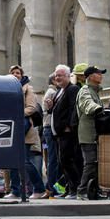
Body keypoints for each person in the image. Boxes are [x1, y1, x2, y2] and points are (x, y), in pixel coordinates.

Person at [5, 65, 45, 199]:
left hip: (24, 129)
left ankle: (39, 189)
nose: (15, 75)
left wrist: (15, 115)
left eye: (18, 73)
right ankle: (15, 191)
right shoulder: (6, 89)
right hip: (10, 128)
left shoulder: (28, 88)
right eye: (13, 73)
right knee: (11, 160)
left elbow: (31, 108)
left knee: (26, 161)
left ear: (22, 75)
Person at [48, 64, 81, 198]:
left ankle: (75, 188)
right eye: (56, 75)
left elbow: (73, 108)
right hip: (58, 133)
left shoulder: (72, 89)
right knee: (62, 162)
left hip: (67, 132)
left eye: (60, 75)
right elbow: (57, 111)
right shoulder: (59, 91)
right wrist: (51, 107)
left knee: (67, 160)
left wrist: (69, 126)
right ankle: (68, 188)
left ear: (68, 76)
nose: (57, 78)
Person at [77, 64, 107, 200]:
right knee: (90, 163)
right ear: (90, 77)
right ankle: (82, 191)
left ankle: (94, 190)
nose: (101, 75)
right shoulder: (85, 90)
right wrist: (97, 108)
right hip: (88, 134)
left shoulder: (95, 91)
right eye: (98, 73)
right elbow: (87, 104)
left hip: (95, 133)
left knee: (96, 163)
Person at [40, 74, 62, 198]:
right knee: (54, 160)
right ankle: (51, 188)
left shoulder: (51, 91)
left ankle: (50, 188)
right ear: (54, 81)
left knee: (52, 159)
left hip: (48, 128)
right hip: (50, 127)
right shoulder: (52, 92)